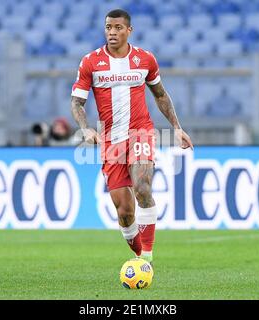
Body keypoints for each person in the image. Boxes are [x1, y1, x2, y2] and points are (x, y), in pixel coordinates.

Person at [70, 9, 193, 266]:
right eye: (108, 27)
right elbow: (77, 103)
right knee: (125, 212)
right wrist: (85, 128)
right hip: (110, 141)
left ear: (129, 30)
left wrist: (177, 127)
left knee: (143, 187)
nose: (112, 32)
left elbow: (160, 94)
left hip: (141, 132)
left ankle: (147, 258)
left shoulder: (145, 59)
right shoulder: (90, 62)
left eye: (117, 28)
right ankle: (139, 256)